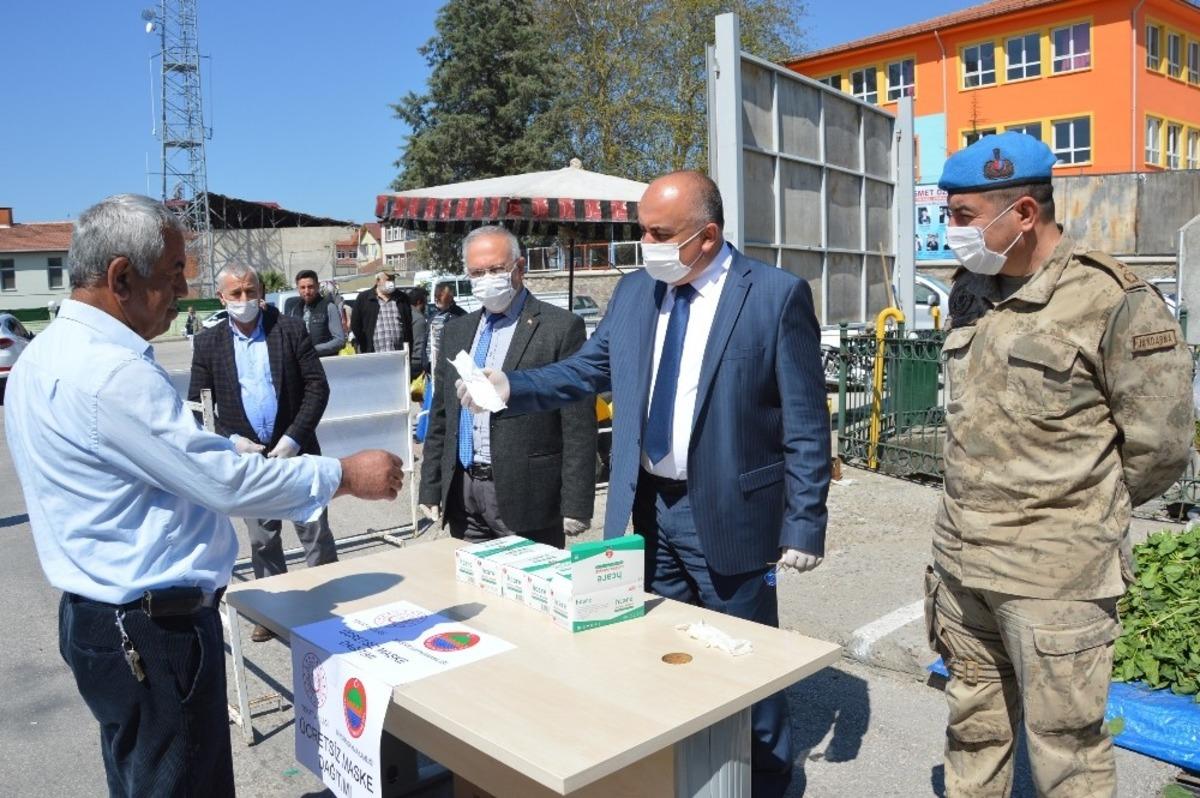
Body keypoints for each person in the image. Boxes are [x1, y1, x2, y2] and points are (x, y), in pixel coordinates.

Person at [4, 194, 404, 797]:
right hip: (151, 633)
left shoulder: (44, 357)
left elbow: (151, 463)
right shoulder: (111, 374)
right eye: (171, 276)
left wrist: (223, 452)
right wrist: (344, 474)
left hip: (98, 618)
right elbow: (223, 486)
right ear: (120, 277)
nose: (182, 292)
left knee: (140, 777)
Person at [458, 172, 830, 797]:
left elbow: (805, 421)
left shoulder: (773, 296)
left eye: (659, 233)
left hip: (732, 511)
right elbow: (590, 368)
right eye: (641, 230)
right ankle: (685, 772)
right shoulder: (636, 292)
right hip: (650, 510)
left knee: (747, 663)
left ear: (707, 236)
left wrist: (805, 519)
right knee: (662, 656)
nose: (644, 244)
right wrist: (510, 387)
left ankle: (766, 779)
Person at [929, 132, 1192, 797]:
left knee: (1066, 753)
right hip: (963, 563)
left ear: (1022, 213)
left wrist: (1075, 507)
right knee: (973, 730)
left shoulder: (1111, 299)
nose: (949, 231)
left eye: (961, 216)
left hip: (1056, 578)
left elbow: (1160, 445)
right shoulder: (970, 290)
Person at [189, 262, 340, 643]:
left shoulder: (288, 330)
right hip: (248, 459)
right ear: (221, 298)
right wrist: (229, 439)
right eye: (235, 294)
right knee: (262, 539)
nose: (244, 300)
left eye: (250, 291)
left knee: (315, 531)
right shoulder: (208, 343)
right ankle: (273, 611)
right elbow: (197, 405)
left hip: (297, 452)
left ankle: (327, 604)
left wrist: (293, 437)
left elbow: (316, 387)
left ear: (261, 292)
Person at [421, 226, 595, 548]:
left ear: (520, 267)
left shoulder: (560, 328)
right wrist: (431, 485)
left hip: (527, 496)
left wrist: (576, 502)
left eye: (497, 269)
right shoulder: (457, 332)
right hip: (465, 493)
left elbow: (578, 424)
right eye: (477, 272)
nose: (487, 278)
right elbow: (442, 417)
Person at [351, 270, 413, 355]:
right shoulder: (364, 298)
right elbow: (355, 325)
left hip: (398, 355)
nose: (391, 283)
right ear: (377, 281)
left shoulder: (402, 299)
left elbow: (408, 327)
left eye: (393, 279)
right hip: (374, 356)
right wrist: (365, 345)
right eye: (388, 279)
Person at [288, 269, 345, 357]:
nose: (306, 291)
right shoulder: (294, 311)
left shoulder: (329, 307)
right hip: (302, 365)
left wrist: (313, 350)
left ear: (317, 286)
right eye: (302, 287)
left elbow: (340, 340)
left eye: (310, 287)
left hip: (325, 364)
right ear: (298, 289)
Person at [427, 282, 467, 375]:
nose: (437, 300)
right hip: (430, 366)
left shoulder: (460, 316)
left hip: (447, 367)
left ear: (450, 298)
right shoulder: (433, 316)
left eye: (441, 297)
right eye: (436, 296)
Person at [409, 285, 430, 375]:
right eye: (425, 302)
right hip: (416, 364)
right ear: (419, 302)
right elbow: (419, 345)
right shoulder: (419, 319)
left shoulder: (405, 313)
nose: (426, 305)